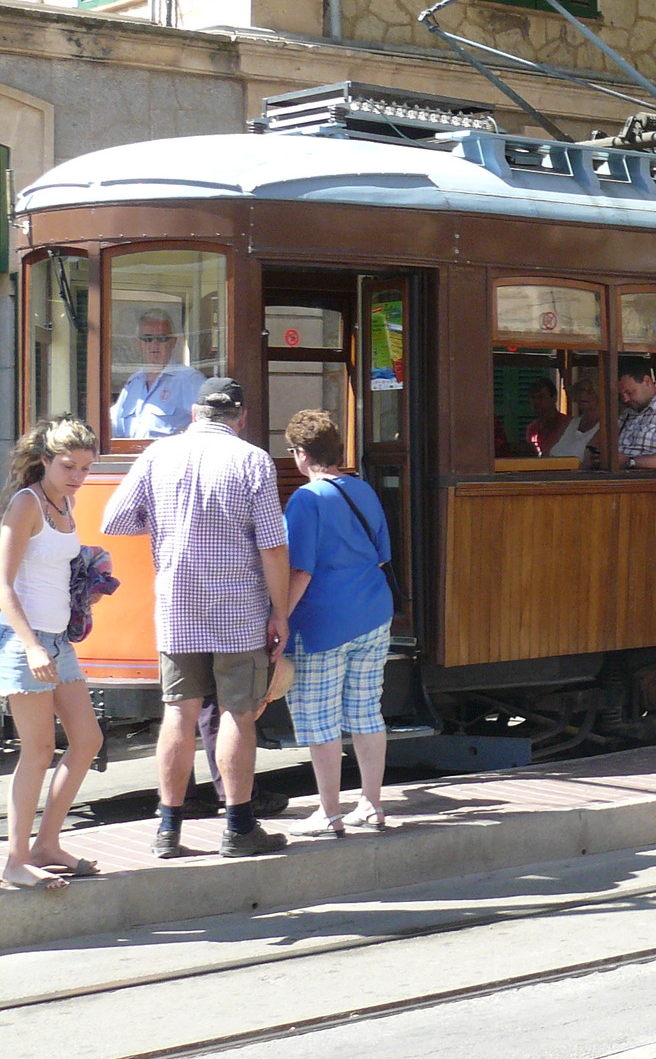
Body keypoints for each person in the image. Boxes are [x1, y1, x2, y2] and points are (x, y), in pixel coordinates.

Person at [101, 378, 290, 859]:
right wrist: (280, 612)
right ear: (241, 417)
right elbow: (272, 544)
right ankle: (239, 827)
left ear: (194, 413)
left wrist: (169, 527)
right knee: (236, 713)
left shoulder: (156, 455)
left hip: (177, 605)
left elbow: (114, 521)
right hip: (238, 608)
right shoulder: (252, 460)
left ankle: (167, 830)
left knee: (179, 713)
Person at [279, 410, 397, 835]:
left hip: (323, 623)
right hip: (373, 615)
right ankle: (371, 803)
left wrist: (279, 618)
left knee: (319, 716)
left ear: (303, 454)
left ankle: (329, 812)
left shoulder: (306, 499)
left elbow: (300, 570)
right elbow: (382, 554)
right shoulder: (362, 490)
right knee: (367, 710)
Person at [1, 419, 104, 889]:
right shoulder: (26, 504)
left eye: (84, 467)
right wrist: (29, 644)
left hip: (58, 640)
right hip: (26, 641)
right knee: (38, 750)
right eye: (69, 466)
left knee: (87, 741)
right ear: (45, 459)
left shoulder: (67, 502)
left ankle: (47, 843)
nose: (78, 475)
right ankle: (16, 859)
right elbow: (2, 584)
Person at [110, 310, 207, 440]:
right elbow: (115, 428)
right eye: (147, 339)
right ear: (139, 343)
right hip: (130, 457)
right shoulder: (133, 383)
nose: (154, 345)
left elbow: (208, 427)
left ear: (173, 342)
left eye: (161, 338)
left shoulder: (189, 380)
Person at [548, 376, 605, 466]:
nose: (583, 395)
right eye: (580, 390)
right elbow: (546, 453)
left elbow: (590, 463)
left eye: (590, 390)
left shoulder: (607, 426)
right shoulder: (570, 423)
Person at [521, 377, 567, 458]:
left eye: (541, 397)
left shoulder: (567, 424)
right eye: (533, 397)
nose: (536, 402)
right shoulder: (532, 429)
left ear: (554, 398)